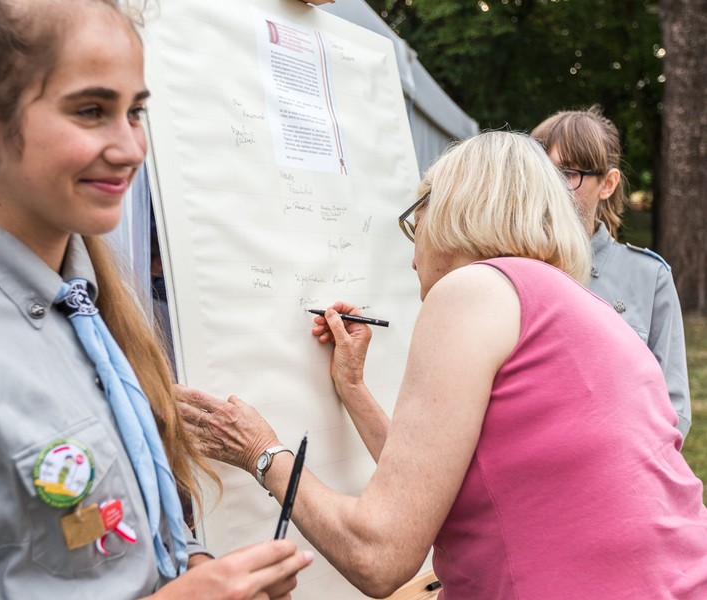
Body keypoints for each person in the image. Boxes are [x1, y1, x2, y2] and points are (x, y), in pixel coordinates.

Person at [0, 0, 313, 597]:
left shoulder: (90, 310)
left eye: (135, 112)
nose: (130, 148)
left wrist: (198, 570)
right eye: (91, 111)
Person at [177, 131, 707, 599]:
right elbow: (440, 485)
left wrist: (261, 453)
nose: (411, 257)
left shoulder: (474, 288)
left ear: (453, 209)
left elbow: (380, 556)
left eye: (416, 223)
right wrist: (355, 388)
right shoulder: (581, 306)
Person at [532, 107, 691, 439]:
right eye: (540, 172)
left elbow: (673, 410)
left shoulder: (649, 278)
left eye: (567, 173)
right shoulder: (508, 270)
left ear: (607, 183)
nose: (550, 188)